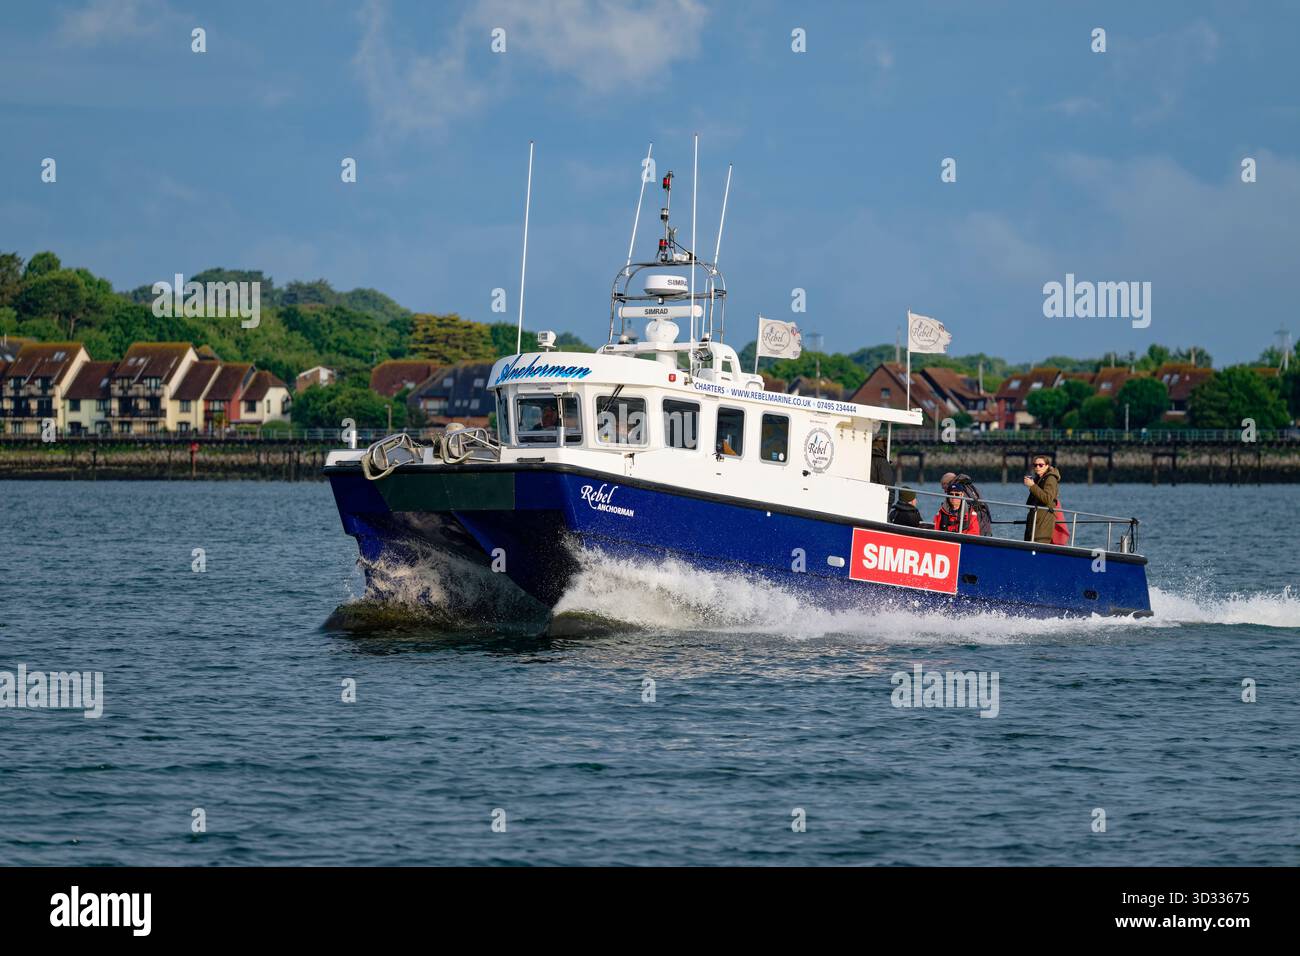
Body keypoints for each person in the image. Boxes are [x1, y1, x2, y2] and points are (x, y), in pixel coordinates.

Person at [1023, 454, 1061, 544]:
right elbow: (1029, 504)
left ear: (1047, 466)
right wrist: (1032, 485)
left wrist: (1032, 486)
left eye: (1041, 465)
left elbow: (1047, 499)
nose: (1037, 467)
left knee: (1037, 547)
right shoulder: (1039, 479)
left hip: (1042, 524)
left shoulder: (1051, 478)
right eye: (1035, 465)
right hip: (1034, 522)